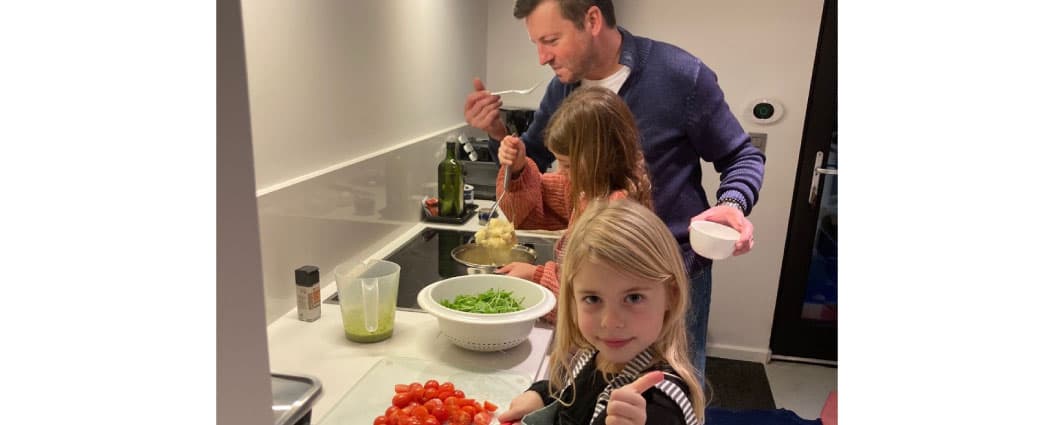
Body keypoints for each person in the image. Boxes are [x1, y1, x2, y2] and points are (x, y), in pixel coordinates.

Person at [463, 0, 765, 375]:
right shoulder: (563, 89)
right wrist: (498, 135)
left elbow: (742, 157)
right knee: (607, 384)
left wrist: (733, 204)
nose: (542, 57)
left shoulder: (680, 76)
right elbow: (534, 160)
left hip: (676, 269)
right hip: (600, 279)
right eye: (535, 43)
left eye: (551, 39)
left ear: (591, 20)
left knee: (675, 381)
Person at [497, 198, 704, 425]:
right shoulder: (594, 353)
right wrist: (541, 395)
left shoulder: (657, 406)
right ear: (573, 298)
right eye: (593, 299)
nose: (611, 322)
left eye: (634, 298)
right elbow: (572, 394)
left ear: (671, 295)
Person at [493, 86, 653, 324]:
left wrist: (536, 275)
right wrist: (518, 168)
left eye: (566, 165)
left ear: (599, 157)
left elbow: (592, 299)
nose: (561, 172)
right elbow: (540, 198)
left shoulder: (617, 214)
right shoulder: (591, 189)